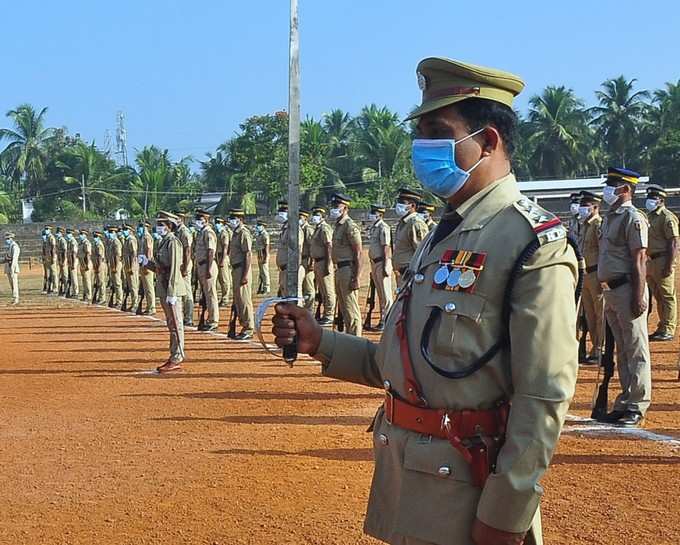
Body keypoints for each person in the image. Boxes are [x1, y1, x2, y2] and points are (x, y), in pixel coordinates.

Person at [273, 57, 579, 545]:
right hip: (410, 483)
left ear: (489, 141)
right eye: (420, 133)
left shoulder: (530, 243)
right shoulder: (446, 232)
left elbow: (543, 396)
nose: (422, 147)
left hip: (470, 494)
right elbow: (404, 365)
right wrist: (320, 341)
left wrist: (505, 515)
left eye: (438, 131)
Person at [597, 167, 651, 427]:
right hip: (611, 290)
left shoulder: (633, 217)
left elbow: (639, 258)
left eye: (612, 185)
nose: (607, 190)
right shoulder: (610, 217)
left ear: (625, 189)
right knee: (621, 349)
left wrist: (638, 295)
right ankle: (625, 400)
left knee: (636, 349)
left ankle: (638, 404)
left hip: (628, 288)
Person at [139, 211, 186, 373]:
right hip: (163, 286)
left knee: (176, 323)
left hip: (171, 288)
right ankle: (173, 355)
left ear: (169, 226)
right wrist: (147, 263)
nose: (158, 227)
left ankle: (177, 357)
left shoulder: (173, 242)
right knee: (171, 324)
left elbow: (173, 269)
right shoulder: (163, 242)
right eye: (158, 224)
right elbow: (160, 267)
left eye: (162, 224)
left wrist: (172, 292)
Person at [644, 184, 679, 341]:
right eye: (649, 197)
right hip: (651, 261)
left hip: (663, 259)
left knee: (667, 296)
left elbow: (673, 242)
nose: (649, 200)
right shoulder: (650, 216)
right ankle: (662, 326)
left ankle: (669, 328)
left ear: (661, 200)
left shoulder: (667, 217)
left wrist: (669, 265)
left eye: (653, 198)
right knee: (658, 295)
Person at [330, 193, 363, 336]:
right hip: (339, 269)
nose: (333, 209)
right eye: (333, 206)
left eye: (337, 206)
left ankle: (356, 338)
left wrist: (356, 277)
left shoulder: (349, 225)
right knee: (343, 307)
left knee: (351, 308)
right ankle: (350, 337)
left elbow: (359, 253)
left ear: (345, 208)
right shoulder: (338, 226)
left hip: (347, 269)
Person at [577, 191, 604, 363]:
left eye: (586, 206)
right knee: (590, 315)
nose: (582, 208)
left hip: (596, 274)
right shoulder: (585, 225)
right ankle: (594, 348)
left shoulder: (598, 225)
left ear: (595, 207)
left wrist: (603, 276)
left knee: (600, 314)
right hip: (586, 275)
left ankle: (600, 349)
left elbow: (603, 251)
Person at [227, 209, 254, 340]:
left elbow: (248, 254)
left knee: (244, 300)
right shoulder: (235, 233)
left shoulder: (243, 233)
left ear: (240, 219)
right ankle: (244, 325)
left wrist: (245, 275)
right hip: (236, 269)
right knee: (238, 300)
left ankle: (249, 328)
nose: (231, 220)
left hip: (242, 269)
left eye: (234, 218)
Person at [393, 187, 429, 285]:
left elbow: (422, 253)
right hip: (401, 274)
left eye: (402, 202)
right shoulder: (403, 222)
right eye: (398, 201)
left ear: (412, 205)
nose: (398, 205)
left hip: (410, 275)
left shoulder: (416, 224)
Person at [368, 204, 393, 330]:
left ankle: (387, 320)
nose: (371, 214)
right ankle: (383, 319)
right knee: (380, 294)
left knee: (386, 294)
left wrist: (386, 265)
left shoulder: (383, 227)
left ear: (380, 214)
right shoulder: (374, 227)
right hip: (374, 263)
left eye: (374, 212)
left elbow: (386, 247)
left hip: (381, 263)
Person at [309, 206, 335, 326]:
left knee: (328, 289)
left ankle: (329, 314)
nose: (314, 216)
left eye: (317, 214)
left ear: (323, 217)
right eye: (314, 214)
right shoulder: (317, 229)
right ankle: (325, 313)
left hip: (324, 261)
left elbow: (329, 247)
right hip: (318, 262)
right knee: (322, 290)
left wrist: (328, 264)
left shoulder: (325, 229)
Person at [194, 209, 219, 331]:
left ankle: (213, 320)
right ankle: (209, 318)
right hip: (201, 265)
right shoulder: (201, 232)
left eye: (200, 219)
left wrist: (208, 269)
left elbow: (211, 251)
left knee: (210, 294)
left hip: (208, 265)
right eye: (197, 219)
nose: (197, 221)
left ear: (206, 220)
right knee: (205, 294)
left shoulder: (208, 232)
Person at [275, 201, 304, 297]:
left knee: (294, 299)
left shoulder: (294, 229)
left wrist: (295, 270)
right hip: (284, 270)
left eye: (283, 211)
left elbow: (298, 249)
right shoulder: (285, 229)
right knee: (286, 297)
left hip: (291, 269)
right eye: (280, 210)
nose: (280, 213)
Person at [175, 212, 196, 327]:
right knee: (181, 291)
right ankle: (184, 316)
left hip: (184, 264)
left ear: (182, 219)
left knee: (187, 291)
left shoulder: (184, 232)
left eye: (177, 218)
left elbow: (187, 250)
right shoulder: (177, 232)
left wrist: (185, 266)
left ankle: (188, 317)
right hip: (179, 264)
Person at [137, 221, 156, 314]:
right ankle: (149, 306)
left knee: (149, 287)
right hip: (142, 264)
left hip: (146, 264)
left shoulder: (147, 237)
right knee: (145, 287)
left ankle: (152, 307)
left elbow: (148, 250)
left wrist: (147, 265)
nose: (139, 228)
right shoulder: (142, 238)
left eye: (141, 226)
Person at [300, 209, 316, 311]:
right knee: (301, 286)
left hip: (307, 260)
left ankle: (309, 310)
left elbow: (312, 246)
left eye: (300, 217)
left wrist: (312, 262)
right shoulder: (298, 229)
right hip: (300, 260)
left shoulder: (308, 229)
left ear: (305, 218)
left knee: (308, 286)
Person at [121, 224, 140, 311]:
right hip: (127, 265)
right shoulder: (126, 240)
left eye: (125, 229)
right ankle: (133, 303)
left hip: (132, 266)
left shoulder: (131, 240)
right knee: (130, 285)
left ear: (130, 230)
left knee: (133, 286)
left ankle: (135, 304)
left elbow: (133, 254)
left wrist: (132, 267)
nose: (123, 231)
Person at [215, 217, 233, 308]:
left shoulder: (224, 233)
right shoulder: (217, 232)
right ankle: (222, 297)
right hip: (217, 256)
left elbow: (226, 246)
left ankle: (225, 298)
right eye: (216, 222)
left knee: (225, 279)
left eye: (218, 222)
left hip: (223, 256)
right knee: (220, 279)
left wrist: (223, 259)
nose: (216, 224)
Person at [106, 226, 123, 308]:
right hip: (112, 264)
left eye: (111, 232)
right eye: (109, 232)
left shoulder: (116, 242)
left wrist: (115, 267)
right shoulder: (111, 241)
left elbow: (117, 255)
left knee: (117, 283)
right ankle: (116, 300)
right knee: (114, 283)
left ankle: (119, 301)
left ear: (115, 233)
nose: (110, 234)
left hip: (116, 264)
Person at [254, 220, 271, 294]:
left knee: (265, 272)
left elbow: (267, 245)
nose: (258, 226)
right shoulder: (259, 234)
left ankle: (266, 288)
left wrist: (266, 256)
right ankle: (261, 287)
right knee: (261, 272)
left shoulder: (265, 234)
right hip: (259, 253)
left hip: (263, 253)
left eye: (259, 225)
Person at [77, 229, 93, 303]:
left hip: (86, 263)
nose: (80, 235)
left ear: (85, 235)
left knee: (87, 280)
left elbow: (88, 254)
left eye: (81, 234)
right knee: (84, 280)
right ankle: (85, 295)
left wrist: (86, 265)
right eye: (80, 234)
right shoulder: (80, 243)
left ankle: (89, 296)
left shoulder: (87, 243)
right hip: (82, 263)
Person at [3, 233, 20, 304]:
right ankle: (14, 298)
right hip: (8, 266)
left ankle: (16, 298)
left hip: (12, 267)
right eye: (6, 239)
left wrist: (12, 269)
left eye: (8, 239)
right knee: (12, 284)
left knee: (14, 283)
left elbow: (14, 259)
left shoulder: (14, 246)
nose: (7, 240)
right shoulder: (10, 246)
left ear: (11, 238)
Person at [92, 230, 107, 304]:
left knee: (101, 282)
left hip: (100, 264)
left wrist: (98, 266)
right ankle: (100, 297)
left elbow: (100, 256)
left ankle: (102, 298)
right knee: (98, 282)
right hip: (97, 264)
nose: (94, 238)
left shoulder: (99, 244)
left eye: (96, 236)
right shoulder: (95, 244)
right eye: (94, 236)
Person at [65, 229, 79, 298]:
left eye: (68, 233)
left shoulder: (73, 242)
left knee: (74, 277)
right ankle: (73, 291)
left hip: (74, 261)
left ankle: (75, 292)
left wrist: (73, 263)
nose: (67, 234)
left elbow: (74, 253)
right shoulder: (69, 241)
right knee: (71, 277)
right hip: (71, 261)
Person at [44, 225, 58, 294]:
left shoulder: (51, 237)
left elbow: (53, 248)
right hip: (48, 257)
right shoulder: (47, 237)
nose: (46, 230)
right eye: (45, 229)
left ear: (50, 230)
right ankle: (50, 287)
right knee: (49, 273)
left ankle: (55, 287)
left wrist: (53, 257)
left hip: (51, 257)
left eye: (47, 229)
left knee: (54, 273)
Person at [56, 227, 68, 295]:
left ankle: (66, 289)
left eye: (59, 232)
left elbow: (65, 251)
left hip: (63, 260)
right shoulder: (59, 240)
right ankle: (62, 289)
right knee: (61, 275)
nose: (57, 233)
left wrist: (63, 261)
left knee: (65, 275)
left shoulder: (63, 240)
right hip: (60, 259)